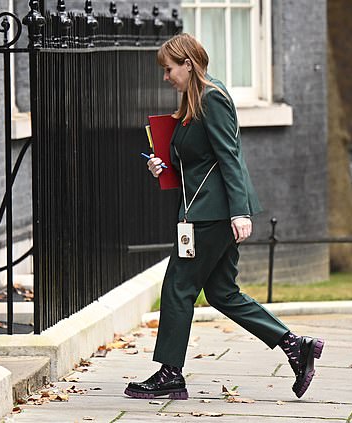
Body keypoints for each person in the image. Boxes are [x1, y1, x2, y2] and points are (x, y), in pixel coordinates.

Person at [124, 33, 324, 400]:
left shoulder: (212, 98)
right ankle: (296, 346)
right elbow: (198, 159)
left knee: (178, 286)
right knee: (221, 292)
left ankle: (170, 373)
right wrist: (162, 165)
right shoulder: (193, 100)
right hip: (207, 209)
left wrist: (240, 212)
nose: (165, 77)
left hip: (212, 213)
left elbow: (230, 155)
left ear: (188, 64)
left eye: (169, 70)